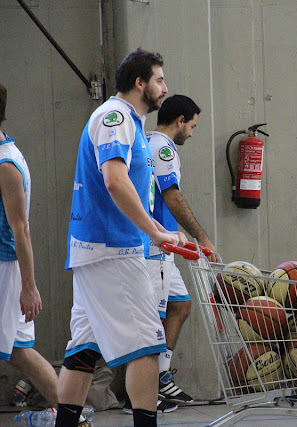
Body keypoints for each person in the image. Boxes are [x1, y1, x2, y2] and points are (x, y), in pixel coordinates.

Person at [56, 49, 186, 427]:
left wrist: (157, 233)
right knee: (147, 343)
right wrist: (156, 231)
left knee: (83, 349)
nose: (165, 87)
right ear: (140, 83)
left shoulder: (129, 122)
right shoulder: (116, 118)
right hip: (112, 250)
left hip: (98, 250)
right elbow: (114, 180)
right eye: (159, 79)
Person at [139, 95, 218, 407]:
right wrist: (203, 238)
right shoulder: (162, 147)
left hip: (165, 246)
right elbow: (171, 195)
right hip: (154, 248)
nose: (192, 134)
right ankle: (147, 390)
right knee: (151, 320)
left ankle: (161, 376)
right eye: (193, 126)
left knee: (181, 305)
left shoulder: (150, 143)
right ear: (180, 121)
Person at [0, 82, 59, 410]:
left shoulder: (6, 164)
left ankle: (73, 416)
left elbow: (20, 229)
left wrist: (29, 286)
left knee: (19, 352)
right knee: (20, 352)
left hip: (6, 270)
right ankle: (73, 416)